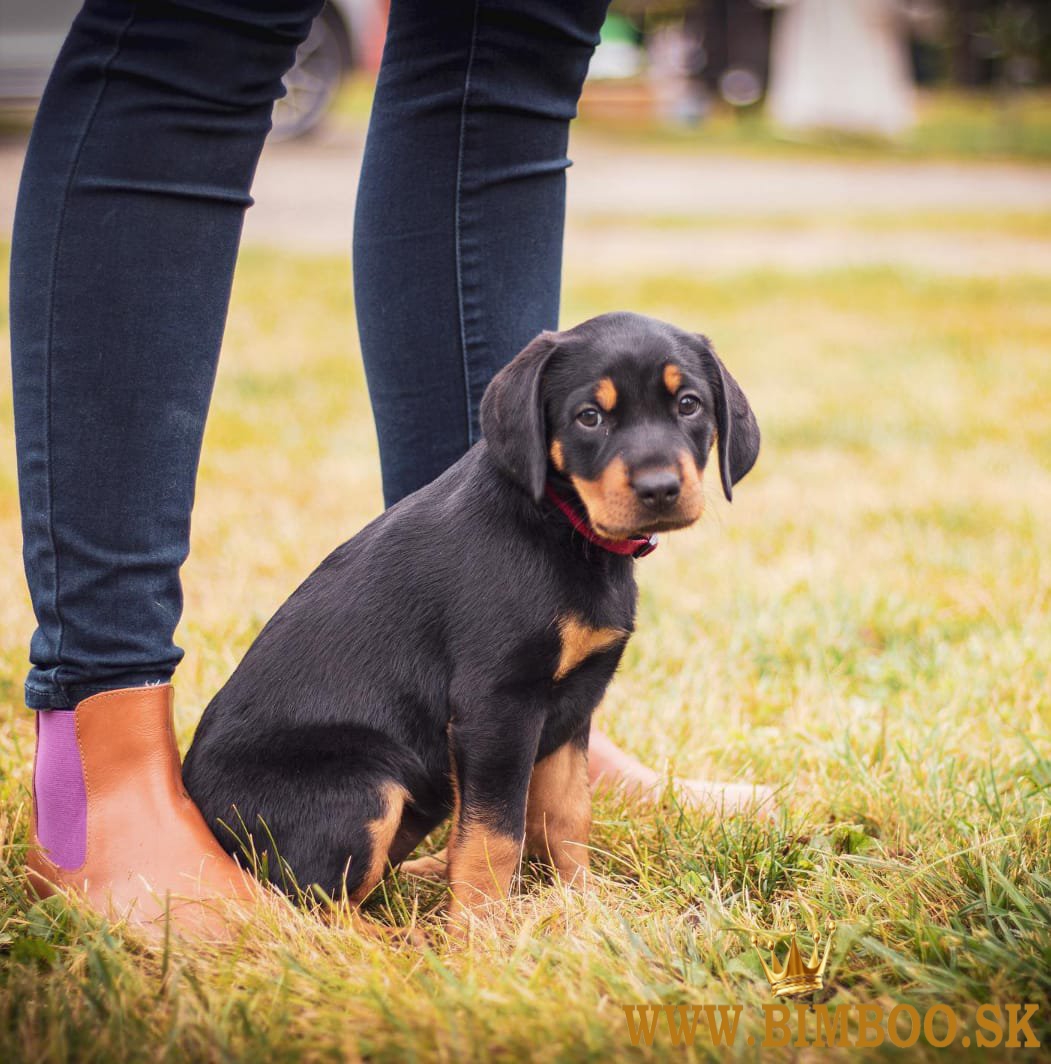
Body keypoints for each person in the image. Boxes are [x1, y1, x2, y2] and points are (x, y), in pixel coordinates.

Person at [12, 0, 769, 933]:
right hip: (312, 768)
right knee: (195, 30)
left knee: (508, 41)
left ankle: (536, 741)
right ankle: (100, 772)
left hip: (448, 691)